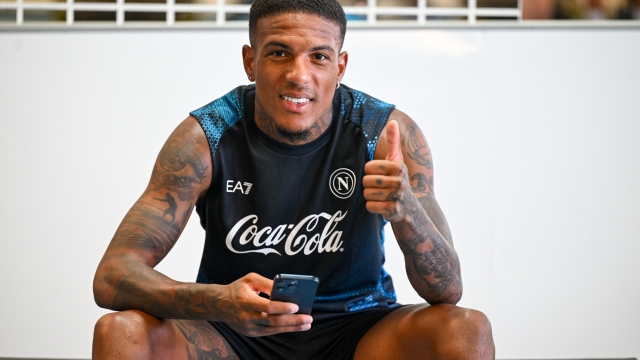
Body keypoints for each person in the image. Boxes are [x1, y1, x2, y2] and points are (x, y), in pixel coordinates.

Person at [92, 0, 495, 358]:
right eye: (279, 53)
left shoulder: (386, 133)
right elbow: (112, 275)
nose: (298, 76)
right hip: (232, 332)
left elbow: (447, 291)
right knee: (120, 333)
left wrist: (406, 211)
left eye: (319, 57)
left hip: (358, 329)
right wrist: (218, 301)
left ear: (340, 66)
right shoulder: (205, 138)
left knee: (465, 329)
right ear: (251, 61)